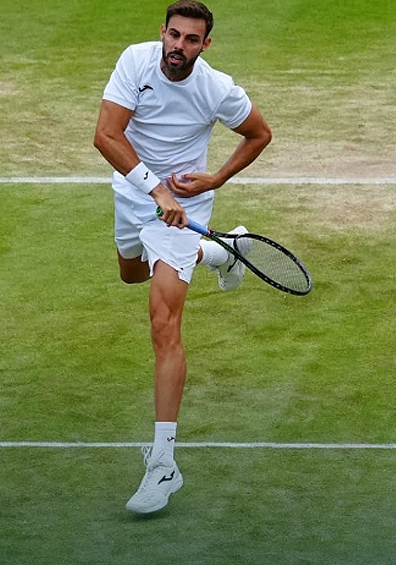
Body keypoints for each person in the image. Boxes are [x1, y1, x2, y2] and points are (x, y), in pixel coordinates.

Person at [93, 0, 272, 514]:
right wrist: (154, 192)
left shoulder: (216, 88)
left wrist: (214, 178)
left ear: (205, 45)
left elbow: (259, 133)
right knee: (130, 274)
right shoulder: (135, 61)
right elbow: (107, 135)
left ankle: (164, 464)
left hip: (184, 206)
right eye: (174, 36)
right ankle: (220, 250)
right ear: (163, 33)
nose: (179, 47)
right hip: (136, 195)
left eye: (191, 40)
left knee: (163, 324)